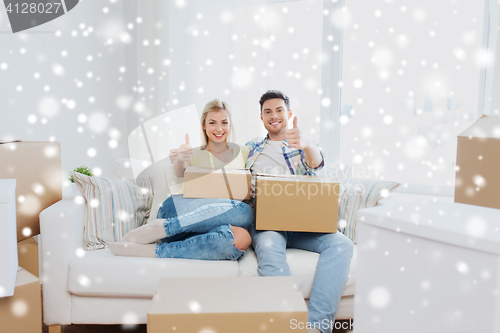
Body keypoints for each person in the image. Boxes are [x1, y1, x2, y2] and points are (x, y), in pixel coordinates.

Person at [246, 90, 353, 333]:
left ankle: (316, 327)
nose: (274, 116)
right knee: (270, 247)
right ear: (261, 117)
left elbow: (316, 162)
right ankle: (285, 326)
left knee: (342, 245)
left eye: (279, 110)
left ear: (289, 114)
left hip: (304, 225)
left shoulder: (302, 144)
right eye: (268, 111)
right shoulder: (251, 148)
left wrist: (305, 145)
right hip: (268, 224)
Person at [110, 99, 253, 260]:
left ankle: (155, 252)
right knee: (245, 212)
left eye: (224, 122)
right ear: (204, 125)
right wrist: (180, 158)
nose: (219, 128)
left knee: (241, 238)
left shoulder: (243, 151)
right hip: (178, 210)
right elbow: (179, 171)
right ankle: (163, 227)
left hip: (208, 226)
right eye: (212, 122)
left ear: (230, 125)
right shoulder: (193, 152)